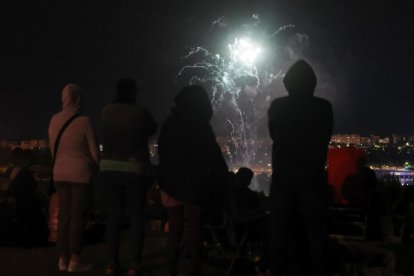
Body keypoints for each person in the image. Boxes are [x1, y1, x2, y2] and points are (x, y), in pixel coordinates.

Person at [268, 60, 333, 276]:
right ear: (312, 83)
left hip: (283, 179)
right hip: (313, 179)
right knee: (316, 236)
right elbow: (326, 136)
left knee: (279, 235)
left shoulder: (277, 106)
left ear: (288, 83)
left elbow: (273, 134)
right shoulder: (323, 107)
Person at [158, 85, 228, 276]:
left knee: (175, 227)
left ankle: (170, 269)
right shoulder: (202, 126)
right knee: (195, 228)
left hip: (170, 184)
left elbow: (162, 151)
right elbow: (214, 156)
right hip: (195, 186)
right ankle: (194, 269)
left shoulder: (170, 123)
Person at [100, 78, 157, 276]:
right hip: (133, 168)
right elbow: (153, 129)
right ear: (134, 92)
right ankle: (134, 263)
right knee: (136, 217)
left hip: (108, 168)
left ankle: (111, 264)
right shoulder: (140, 112)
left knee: (114, 217)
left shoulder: (106, 111)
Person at [48, 83, 99, 272]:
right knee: (77, 217)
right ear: (78, 98)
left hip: (59, 174)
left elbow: (54, 151)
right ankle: (75, 260)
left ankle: (62, 258)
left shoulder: (54, 120)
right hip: (80, 175)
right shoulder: (84, 121)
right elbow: (95, 153)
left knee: (64, 217)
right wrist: (95, 168)